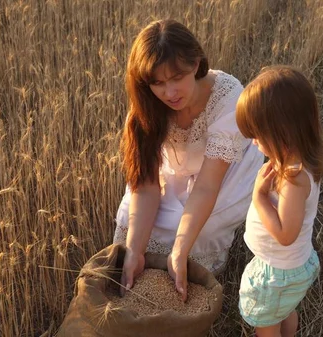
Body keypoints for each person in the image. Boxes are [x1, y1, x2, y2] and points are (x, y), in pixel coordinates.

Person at [113, 19, 264, 301]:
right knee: (131, 223)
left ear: (195, 64)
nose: (169, 93)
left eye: (177, 78)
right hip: (178, 167)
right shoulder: (148, 102)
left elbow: (207, 187)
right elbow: (146, 185)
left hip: (224, 172)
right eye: (158, 83)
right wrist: (134, 250)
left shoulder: (227, 98)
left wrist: (179, 252)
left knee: (198, 231)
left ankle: (181, 264)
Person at [235, 66, 323, 337]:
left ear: (283, 133)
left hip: (278, 273)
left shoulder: (293, 179)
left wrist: (258, 197)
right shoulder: (294, 163)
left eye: (258, 136)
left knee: (267, 324)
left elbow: (285, 234)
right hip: (288, 267)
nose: (254, 143)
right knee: (284, 311)